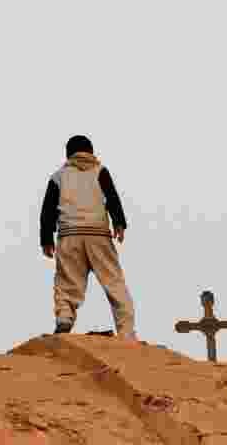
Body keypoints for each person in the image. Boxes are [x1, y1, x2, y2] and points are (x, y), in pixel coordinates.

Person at [39, 135, 137, 340]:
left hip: (69, 235)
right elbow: (112, 197)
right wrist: (119, 223)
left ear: (68, 153)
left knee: (67, 282)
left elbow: (47, 210)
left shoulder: (59, 176)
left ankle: (65, 316)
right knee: (113, 282)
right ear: (91, 152)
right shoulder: (99, 171)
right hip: (98, 234)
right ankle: (127, 331)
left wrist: (46, 239)